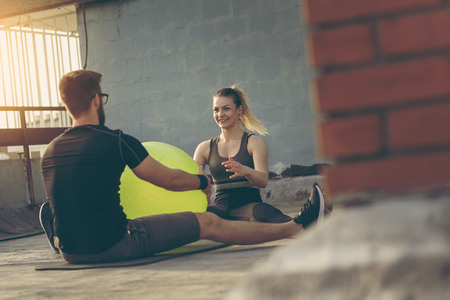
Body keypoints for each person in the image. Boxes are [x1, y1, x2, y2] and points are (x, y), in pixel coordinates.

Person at [39, 70, 326, 264]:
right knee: (207, 223)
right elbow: (169, 181)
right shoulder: (116, 141)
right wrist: (202, 184)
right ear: (94, 100)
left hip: (71, 251)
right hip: (115, 242)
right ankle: (294, 228)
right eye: (101, 98)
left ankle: (55, 231)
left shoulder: (49, 151)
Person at [194, 86, 331, 223]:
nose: (220, 114)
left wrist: (246, 171)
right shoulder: (204, 148)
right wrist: (203, 187)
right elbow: (191, 187)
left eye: (226, 108)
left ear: (239, 110)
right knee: (194, 219)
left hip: (250, 206)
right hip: (220, 208)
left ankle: (312, 215)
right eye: (216, 110)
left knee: (271, 216)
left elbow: (263, 181)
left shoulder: (253, 142)